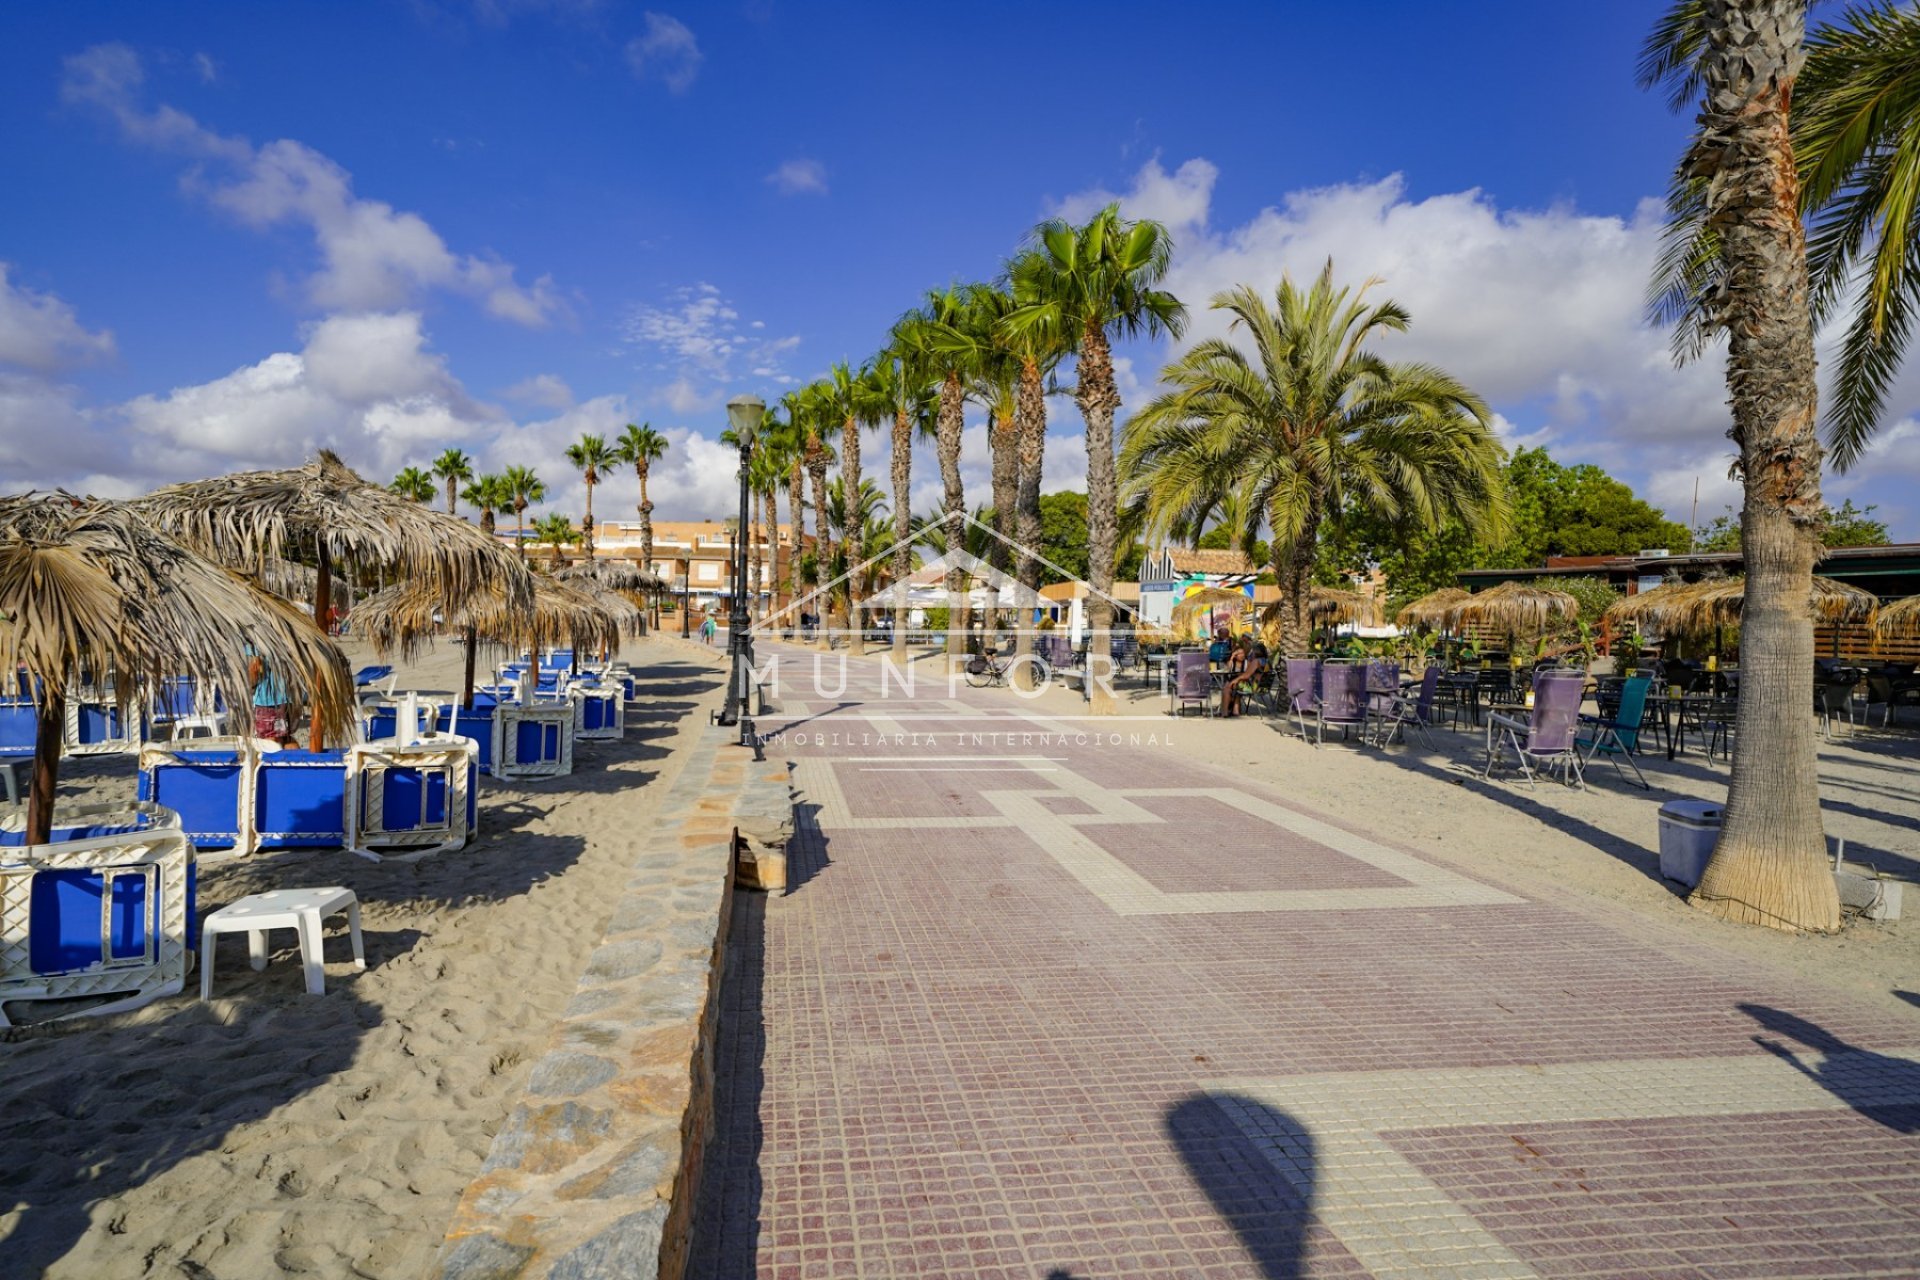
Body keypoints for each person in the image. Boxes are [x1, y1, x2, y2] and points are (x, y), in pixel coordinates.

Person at [244, 643, 293, 744]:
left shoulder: (255, 641)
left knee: (269, 742)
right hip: (283, 701)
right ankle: (300, 759)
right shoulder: (281, 638)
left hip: (266, 703)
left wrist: (250, 686)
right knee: (283, 739)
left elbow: (254, 670)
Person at [1220, 638, 1270, 718]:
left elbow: (1246, 675)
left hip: (1253, 687)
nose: (1251, 653)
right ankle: (1235, 710)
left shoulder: (1256, 661)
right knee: (1235, 685)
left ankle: (1224, 712)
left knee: (1227, 687)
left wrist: (1234, 680)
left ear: (1257, 652)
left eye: (1253, 651)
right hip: (1262, 687)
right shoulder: (1266, 661)